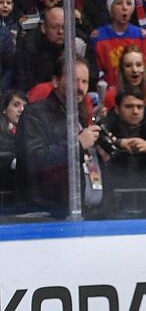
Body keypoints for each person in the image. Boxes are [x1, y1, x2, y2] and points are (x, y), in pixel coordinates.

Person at [19, 58, 103, 216]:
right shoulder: (34, 113)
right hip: (45, 213)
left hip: (81, 209)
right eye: (74, 80)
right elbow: (33, 160)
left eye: (84, 82)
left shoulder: (80, 115)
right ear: (56, 81)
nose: (80, 87)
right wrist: (76, 145)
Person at [100, 87, 146, 213]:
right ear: (117, 109)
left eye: (139, 107)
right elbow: (97, 135)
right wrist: (118, 143)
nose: (135, 111)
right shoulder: (107, 124)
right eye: (129, 106)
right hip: (114, 196)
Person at [91, 0, 146, 89]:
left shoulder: (141, 35)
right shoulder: (98, 37)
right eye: (119, 3)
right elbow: (96, 70)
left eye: (128, 3)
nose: (124, 7)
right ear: (110, 9)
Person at [102, 45, 146, 114]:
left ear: (144, 68)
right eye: (128, 66)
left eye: (138, 65)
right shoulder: (110, 96)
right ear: (122, 70)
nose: (134, 70)